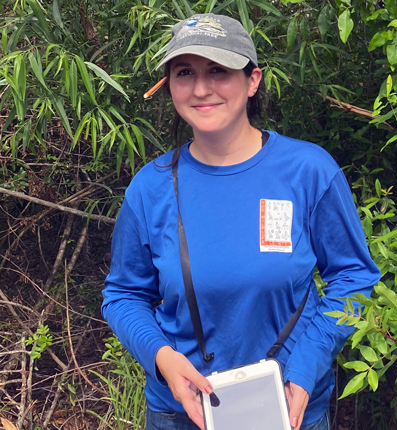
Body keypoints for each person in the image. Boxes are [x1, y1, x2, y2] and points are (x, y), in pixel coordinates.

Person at [101, 13, 381, 430]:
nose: (200, 88)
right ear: (169, 86)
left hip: (290, 408)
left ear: (253, 81)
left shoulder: (308, 172)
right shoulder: (150, 189)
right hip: (181, 414)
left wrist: (306, 367)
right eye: (184, 73)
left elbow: (354, 276)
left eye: (218, 70)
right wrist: (162, 359)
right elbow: (123, 294)